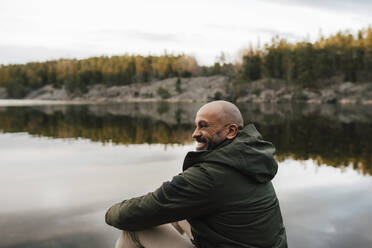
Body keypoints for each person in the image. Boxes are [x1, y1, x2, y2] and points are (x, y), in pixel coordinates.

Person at [105, 100, 287, 248]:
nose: (194, 134)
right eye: (195, 126)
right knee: (179, 212)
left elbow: (129, 215)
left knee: (134, 231)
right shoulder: (250, 159)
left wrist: (109, 213)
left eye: (203, 126)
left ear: (230, 131)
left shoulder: (211, 175)